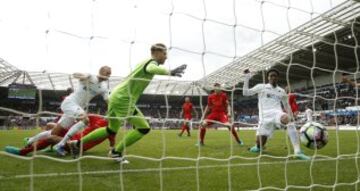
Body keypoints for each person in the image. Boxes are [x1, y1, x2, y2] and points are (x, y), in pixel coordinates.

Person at [69, 43, 187, 162]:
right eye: (164, 53)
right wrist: (169, 72)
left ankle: (77, 143)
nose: (166, 57)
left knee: (111, 129)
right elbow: (151, 68)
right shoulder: (152, 62)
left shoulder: (144, 62)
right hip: (124, 99)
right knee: (144, 128)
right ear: (156, 53)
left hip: (115, 95)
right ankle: (116, 152)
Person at [243, 68, 310, 160]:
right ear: (268, 78)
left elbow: (286, 105)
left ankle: (297, 151)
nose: (273, 77)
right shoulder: (261, 87)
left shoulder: (281, 91)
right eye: (271, 76)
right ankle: (258, 147)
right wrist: (246, 78)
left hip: (277, 114)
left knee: (288, 120)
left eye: (275, 76)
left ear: (277, 78)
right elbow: (245, 93)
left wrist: (291, 116)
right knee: (260, 144)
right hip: (264, 118)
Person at [5, 115, 114, 156]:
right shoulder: (96, 117)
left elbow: (112, 144)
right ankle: (53, 148)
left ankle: (23, 152)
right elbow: (82, 117)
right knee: (51, 127)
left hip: (78, 146)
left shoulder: (112, 128)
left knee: (51, 138)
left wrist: (113, 150)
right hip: (72, 137)